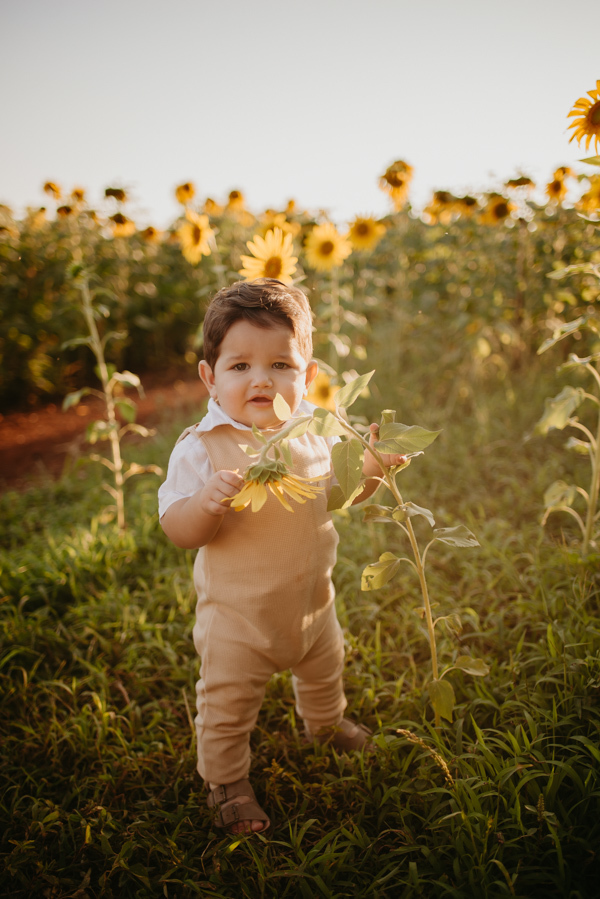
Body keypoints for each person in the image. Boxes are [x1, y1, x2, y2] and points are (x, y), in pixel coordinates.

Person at [158, 278, 405, 835]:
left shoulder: (311, 435)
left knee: (325, 672)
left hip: (313, 605)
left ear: (308, 376)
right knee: (226, 707)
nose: (261, 379)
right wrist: (206, 502)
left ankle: (326, 725)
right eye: (240, 366)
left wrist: (365, 473)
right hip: (238, 624)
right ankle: (225, 781)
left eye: (280, 365)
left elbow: (332, 496)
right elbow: (178, 528)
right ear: (210, 378)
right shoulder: (203, 446)